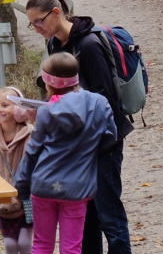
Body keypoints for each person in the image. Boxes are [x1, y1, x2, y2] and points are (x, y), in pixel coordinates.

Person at [25, 0, 133, 254]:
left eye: (39, 22)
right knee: (85, 215)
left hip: (103, 142)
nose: (37, 29)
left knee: (108, 212)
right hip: (75, 146)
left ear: (56, 12)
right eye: (32, 24)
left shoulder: (90, 45)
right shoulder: (54, 46)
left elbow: (104, 100)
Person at [15, 52, 117, 254]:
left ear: (49, 83)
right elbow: (111, 137)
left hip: (43, 186)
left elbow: (32, 152)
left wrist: (21, 186)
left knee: (42, 245)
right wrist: (89, 147)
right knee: (72, 248)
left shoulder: (45, 111)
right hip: (77, 188)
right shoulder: (99, 103)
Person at [0, 87, 34, 254]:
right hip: (4, 204)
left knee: (25, 244)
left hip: (28, 201)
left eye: (5, 105)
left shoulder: (31, 135)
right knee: (10, 246)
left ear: (19, 109)